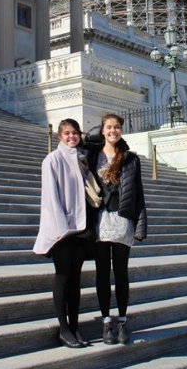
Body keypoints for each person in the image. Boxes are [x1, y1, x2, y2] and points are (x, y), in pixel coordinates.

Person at [33, 119, 98, 349]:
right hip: (63, 231)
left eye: (75, 133)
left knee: (76, 280)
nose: (71, 137)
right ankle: (63, 329)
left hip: (81, 230)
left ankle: (75, 326)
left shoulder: (81, 159)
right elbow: (51, 198)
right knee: (62, 278)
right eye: (67, 133)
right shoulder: (52, 159)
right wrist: (62, 231)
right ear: (59, 136)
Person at [86, 114, 148, 345]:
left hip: (123, 221)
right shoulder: (92, 156)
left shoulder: (131, 159)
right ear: (102, 130)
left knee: (121, 273)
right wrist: (95, 136)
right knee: (102, 274)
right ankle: (106, 323)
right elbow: (83, 140)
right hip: (100, 221)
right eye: (109, 127)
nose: (113, 131)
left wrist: (141, 224)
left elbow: (138, 193)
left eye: (117, 127)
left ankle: (122, 320)